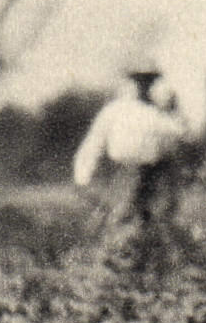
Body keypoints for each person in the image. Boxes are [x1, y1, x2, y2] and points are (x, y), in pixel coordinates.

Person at [73, 67, 188, 259]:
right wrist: (82, 176)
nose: (144, 86)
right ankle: (111, 258)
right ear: (131, 83)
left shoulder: (158, 113)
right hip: (125, 171)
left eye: (149, 81)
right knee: (120, 216)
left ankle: (149, 260)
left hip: (155, 173)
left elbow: (182, 137)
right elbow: (94, 142)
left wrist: (174, 110)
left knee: (154, 220)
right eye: (140, 81)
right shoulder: (114, 111)